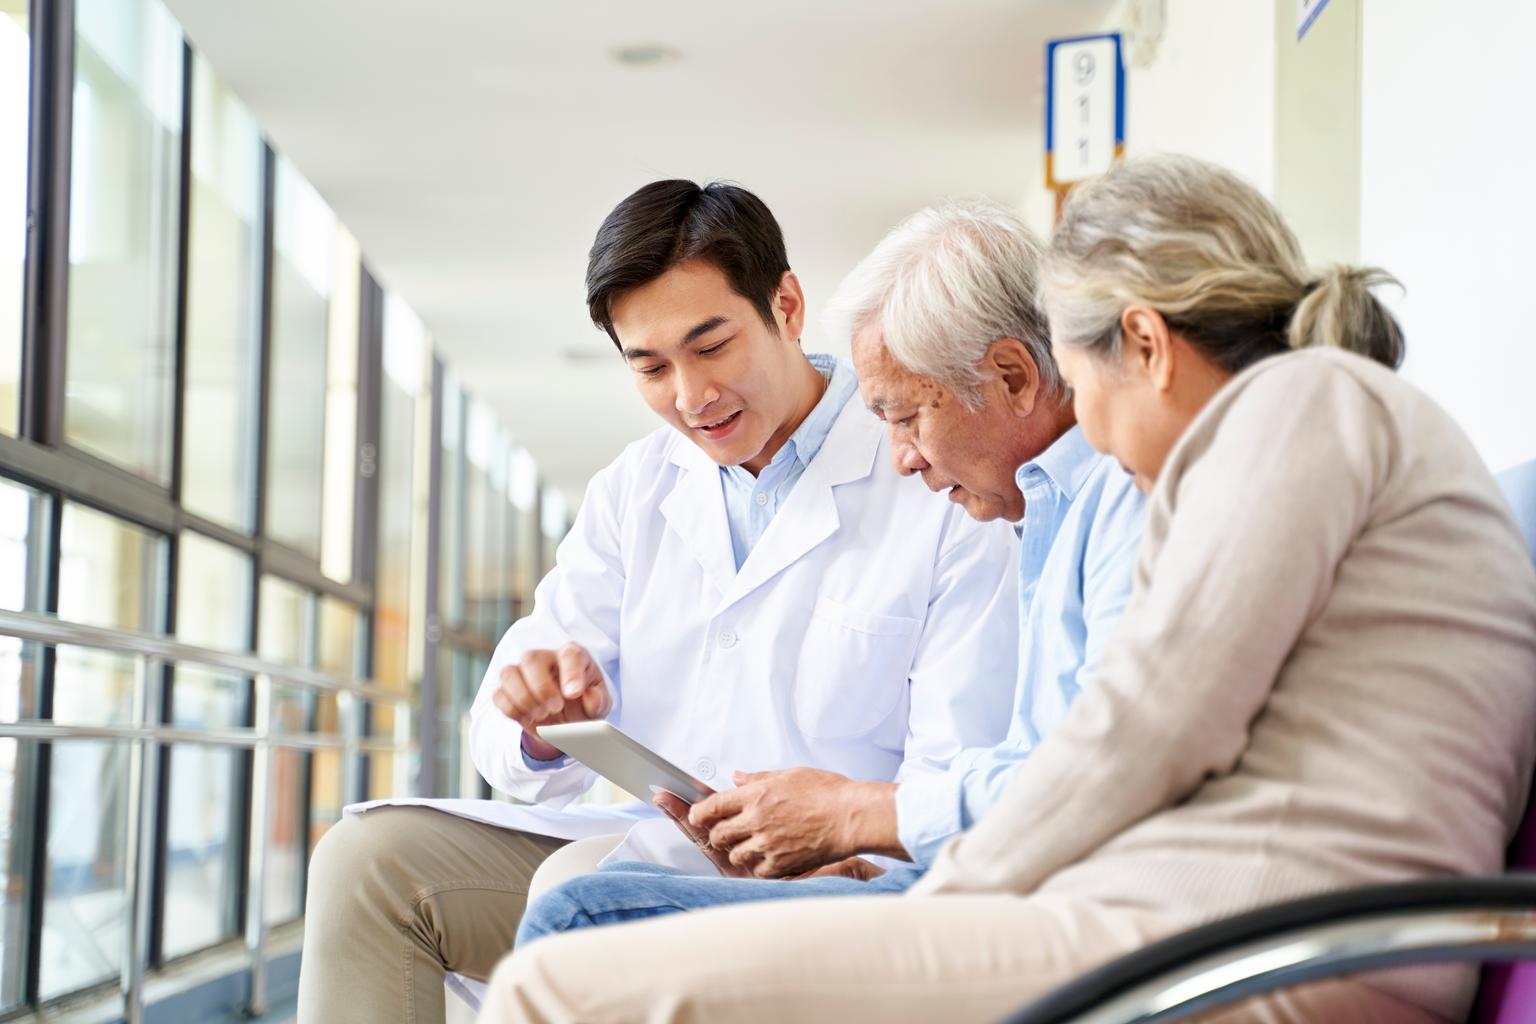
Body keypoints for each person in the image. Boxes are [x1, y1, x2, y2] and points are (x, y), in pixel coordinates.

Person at [477, 154, 1536, 1024]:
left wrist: (929, 894)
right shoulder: (1305, 425)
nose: (1088, 433)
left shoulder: (1302, 410)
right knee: (581, 932)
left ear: (1146, 347)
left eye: (1082, 385)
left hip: (1251, 944)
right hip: (1209, 921)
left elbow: (1147, 732)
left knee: (555, 971)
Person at [294, 182, 1022, 1024]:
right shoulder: (635, 490)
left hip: (839, 874)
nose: (691, 395)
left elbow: (962, 765)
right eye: (650, 366)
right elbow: (508, 733)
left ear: (786, 305)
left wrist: (851, 839)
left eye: (711, 346)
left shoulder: (936, 474)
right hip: (656, 841)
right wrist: (539, 717)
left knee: (583, 899)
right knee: (369, 861)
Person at [511, 198, 1146, 939]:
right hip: (914, 868)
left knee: (582, 914)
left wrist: (852, 823)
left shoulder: (1090, 506)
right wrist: (541, 716)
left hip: (999, 901)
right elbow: (1027, 765)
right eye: (651, 367)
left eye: (907, 417)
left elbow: (1078, 779)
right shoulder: (1047, 510)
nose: (903, 456)